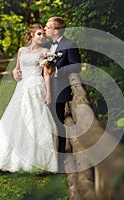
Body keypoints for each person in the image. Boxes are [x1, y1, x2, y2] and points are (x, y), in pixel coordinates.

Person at [0, 24, 58, 173]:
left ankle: (35, 160)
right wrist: (15, 72)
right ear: (31, 35)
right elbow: (17, 68)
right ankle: (7, 156)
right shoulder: (22, 51)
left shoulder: (46, 52)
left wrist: (49, 93)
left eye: (43, 34)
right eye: (39, 34)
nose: (42, 37)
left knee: (36, 119)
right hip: (21, 87)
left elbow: (46, 74)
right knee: (15, 118)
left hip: (36, 86)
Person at [43, 17, 81, 171]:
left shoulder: (69, 45)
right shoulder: (45, 45)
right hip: (41, 89)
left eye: (47, 27)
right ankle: (45, 156)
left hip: (59, 90)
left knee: (57, 124)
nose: (45, 29)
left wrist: (57, 71)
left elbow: (76, 66)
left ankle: (59, 160)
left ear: (56, 31)